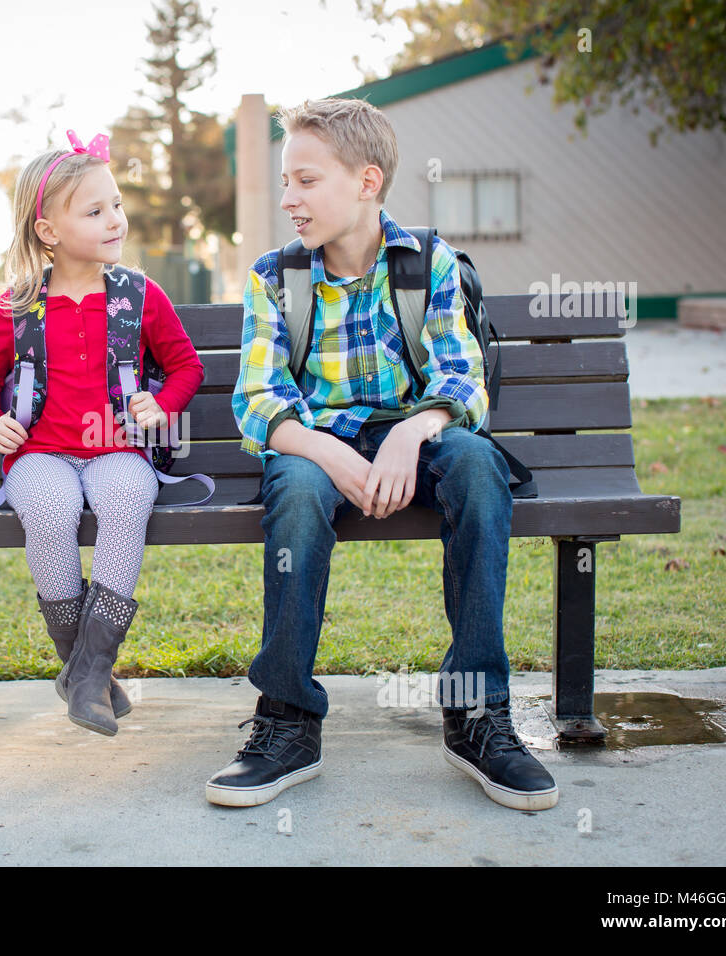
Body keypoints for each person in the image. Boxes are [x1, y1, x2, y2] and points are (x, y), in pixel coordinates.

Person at [206, 98, 558, 811]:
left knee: (478, 467)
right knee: (299, 491)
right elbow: (260, 400)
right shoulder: (277, 276)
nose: (287, 199)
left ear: (367, 182)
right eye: (285, 180)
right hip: (315, 446)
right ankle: (288, 721)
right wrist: (333, 457)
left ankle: (477, 714)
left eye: (306, 180)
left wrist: (410, 431)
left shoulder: (427, 264)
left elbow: (463, 379)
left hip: (413, 440)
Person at [0, 131, 204, 736]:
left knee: (128, 496)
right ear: (48, 231)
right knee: (49, 508)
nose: (115, 219)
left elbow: (186, 366)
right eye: (95, 211)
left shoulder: (139, 296)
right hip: (41, 451)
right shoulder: (21, 305)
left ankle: (89, 674)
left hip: (117, 447)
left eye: (116, 205)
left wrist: (161, 403)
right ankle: (83, 673)